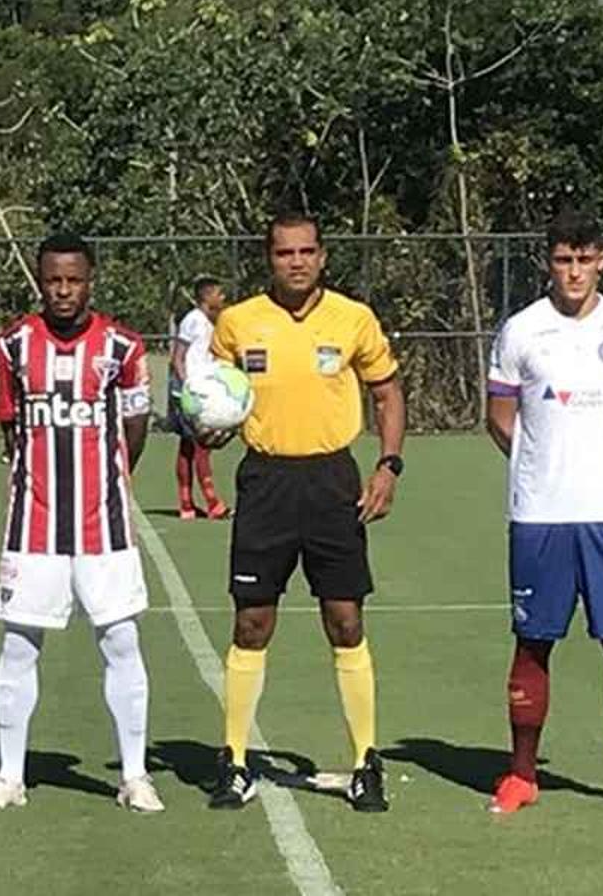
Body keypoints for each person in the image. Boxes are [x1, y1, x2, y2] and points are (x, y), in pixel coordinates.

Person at [205, 212, 405, 813]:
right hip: (266, 482)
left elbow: (388, 391)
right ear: (269, 258)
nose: (296, 261)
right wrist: (212, 428)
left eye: (307, 251)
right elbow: (217, 396)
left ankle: (366, 760)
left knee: (345, 620)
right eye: (284, 252)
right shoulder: (238, 323)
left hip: (331, 479)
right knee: (252, 623)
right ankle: (235, 760)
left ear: (323, 257)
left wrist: (388, 465)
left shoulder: (353, 318)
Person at [482, 209, 603, 816]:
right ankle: (521, 776)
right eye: (564, 260)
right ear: (548, 262)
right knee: (533, 642)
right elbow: (499, 415)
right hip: (538, 516)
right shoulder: (521, 331)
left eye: (585, 260)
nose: (574, 272)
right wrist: (538, 465)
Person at [0, 233, 163, 814]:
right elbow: (12, 428)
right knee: (19, 644)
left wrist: (108, 477)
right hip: (33, 525)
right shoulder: (11, 345)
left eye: (73, 279)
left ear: (90, 280)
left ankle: (133, 775)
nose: (63, 290)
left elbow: (136, 426)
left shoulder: (123, 346)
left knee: (121, 641)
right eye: (53, 279)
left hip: (104, 525)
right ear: (40, 280)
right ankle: (9, 777)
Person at [168, 275, 231, 520]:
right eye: (219, 294)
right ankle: (213, 503)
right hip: (190, 393)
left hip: (201, 391)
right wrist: (188, 388)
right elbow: (177, 358)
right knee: (202, 445)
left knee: (188, 447)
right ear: (207, 296)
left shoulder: (211, 321)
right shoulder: (193, 320)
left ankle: (186, 504)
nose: (223, 298)